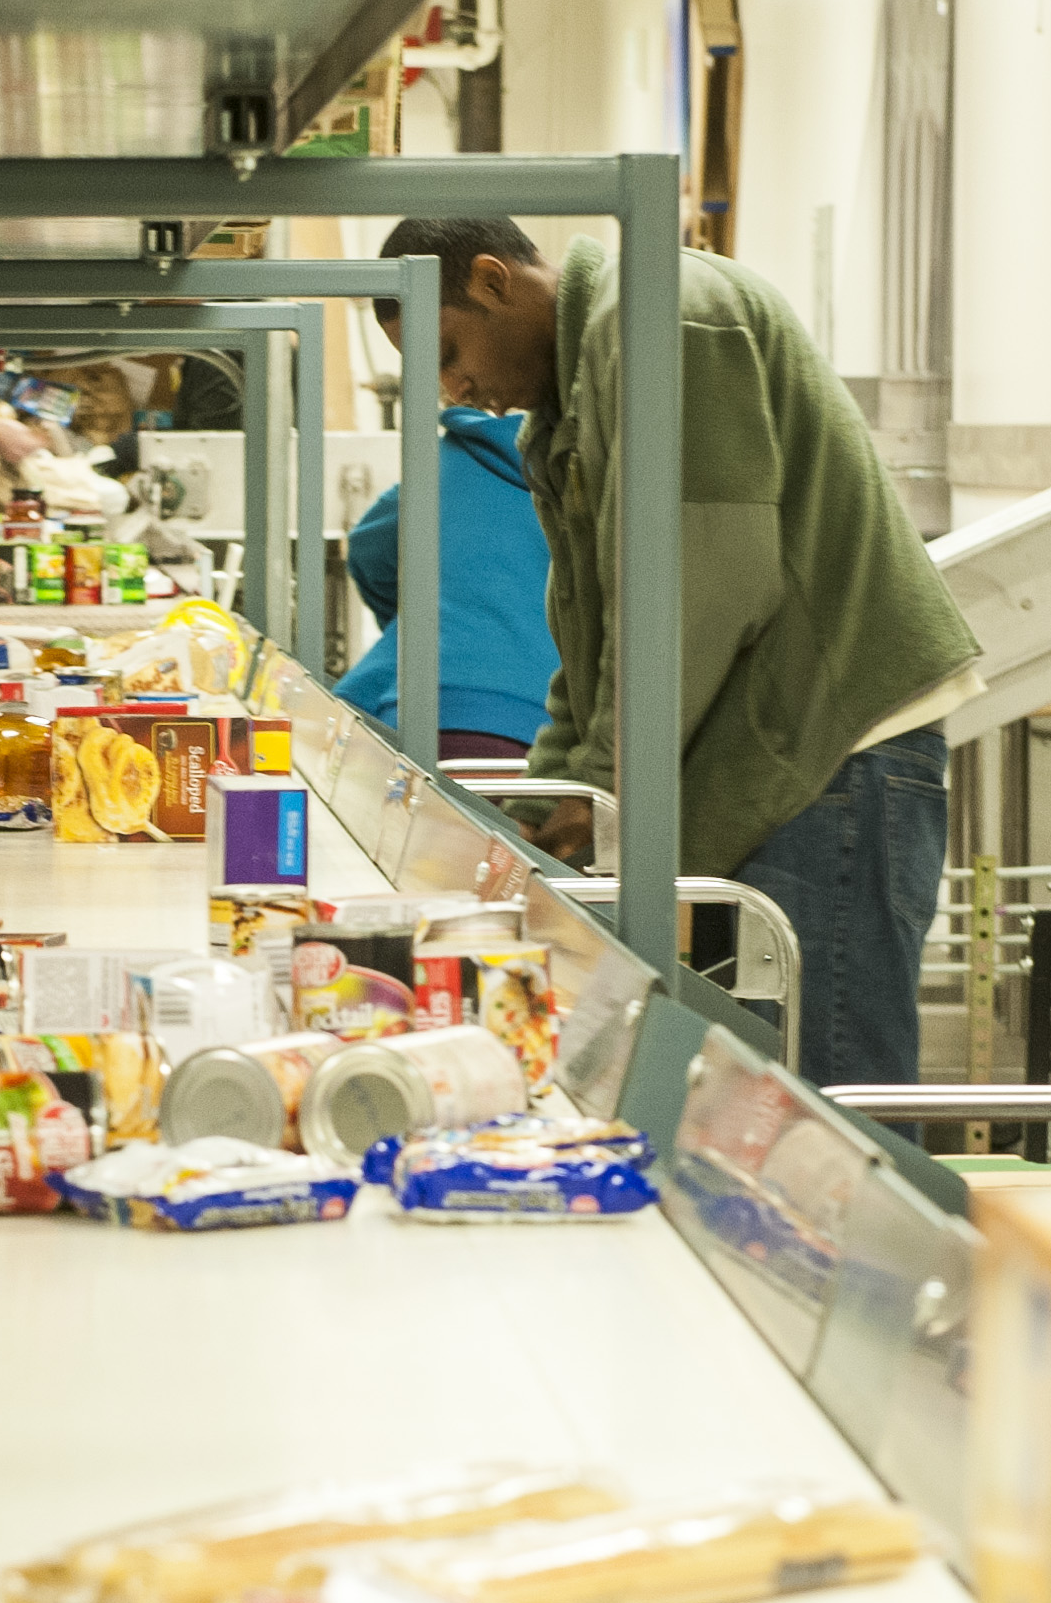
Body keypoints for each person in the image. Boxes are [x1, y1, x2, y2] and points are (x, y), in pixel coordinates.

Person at [373, 214, 980, 1088]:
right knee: (769, 1093)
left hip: (834, 745)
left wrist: (605, 787)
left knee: (832, 1103)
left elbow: (699, 585)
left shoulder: (661, 321)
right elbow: (593, 616)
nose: (456, 389)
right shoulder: (565, 403)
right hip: (776, 747)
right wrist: (550, 792)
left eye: (449, 353)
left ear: (492, 281)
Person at [333, 406, 555, 761]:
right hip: (529, 717)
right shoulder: (575, 474)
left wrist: (421, 612)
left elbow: (368, 549)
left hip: (407, 704)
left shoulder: (453, 456)